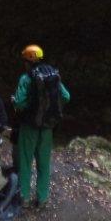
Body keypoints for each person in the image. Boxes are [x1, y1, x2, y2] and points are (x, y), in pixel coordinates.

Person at [12, 44, 70, 208]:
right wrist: (48, 109)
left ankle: (24, 197)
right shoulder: (53, 75)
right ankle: (42, 198)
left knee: (25, 161)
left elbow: (19, 102)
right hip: (47, 127)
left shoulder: (26, 78)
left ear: (27, 61)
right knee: (44, 163)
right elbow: (66, 96)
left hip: (29, 126)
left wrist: (26, 105)